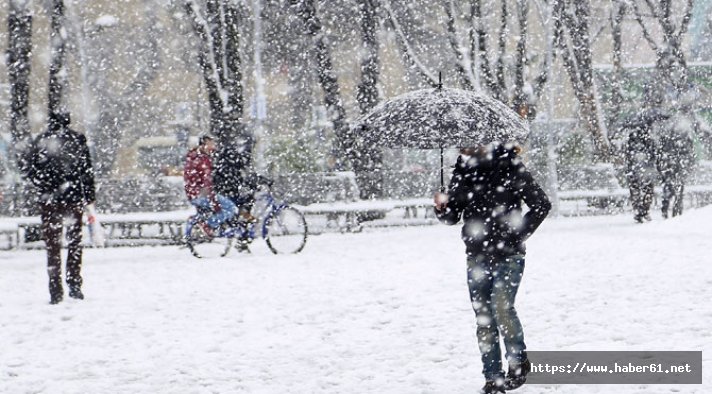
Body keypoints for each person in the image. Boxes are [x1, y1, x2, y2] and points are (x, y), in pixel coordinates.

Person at [434, 143, 550, 394]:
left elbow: (541, 204)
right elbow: (452, 217)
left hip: (509, 255)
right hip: (476, 255)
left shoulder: (509, 165)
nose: (462, 145)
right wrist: (442, 207)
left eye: (467, 139)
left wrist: (516, 236)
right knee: (483, 317)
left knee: (501, 307)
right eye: (460, 141)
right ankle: (492, 378)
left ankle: (518, 363)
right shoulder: (463, 170)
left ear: (484, 140)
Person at [22, 112, 96, 305]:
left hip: (50, 201)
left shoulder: (42, 140)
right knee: (75, 243)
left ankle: (55, 288)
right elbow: (86, 170)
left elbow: (30, 170)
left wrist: (44, 187)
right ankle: (74, 283)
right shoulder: (77, 139)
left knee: (53, 245)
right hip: (73, 199)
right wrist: (88, 197)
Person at [183, 135, 236, 235]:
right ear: (203, 145)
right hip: (201, 195)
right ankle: (208, 224)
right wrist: (214, 203)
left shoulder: (193, 157)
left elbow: (194, 180)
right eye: (210, 144)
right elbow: (207, 184)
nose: (213, 147)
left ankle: (208, 223)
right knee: (231, 208)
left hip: (194, 194)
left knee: (224, 207)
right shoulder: (202, 160)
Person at [624, 110, 664, 223]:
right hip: (644, 169)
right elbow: (654, 154)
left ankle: (639, 210)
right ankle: (644, 210)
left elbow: (628, 153)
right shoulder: (648, 139)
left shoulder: (632, 138)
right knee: (647, 189)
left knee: (635, 189)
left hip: (635, 169)